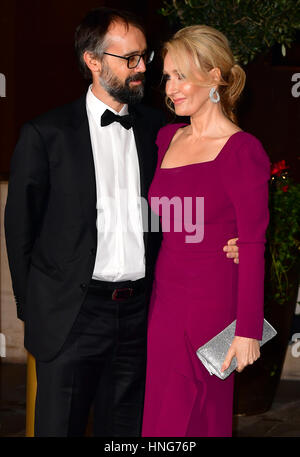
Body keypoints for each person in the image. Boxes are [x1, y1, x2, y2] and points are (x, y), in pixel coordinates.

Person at [4, 9, 239, 437]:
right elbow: (20, 231)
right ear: (93, 61)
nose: (142, 68)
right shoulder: (45, 134)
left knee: (128, 434)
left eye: (144, 56)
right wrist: (35, 307)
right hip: (71, 315)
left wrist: (231, 240)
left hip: (141, 314)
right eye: (129, 59)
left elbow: (193, 201)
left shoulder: (161, 131)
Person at [142, 25, 270, 437]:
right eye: (167, 76)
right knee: (161, 412)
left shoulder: (242, 150)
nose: (171, 88)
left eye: (181, 75)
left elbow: (251, 244)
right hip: (165, 301)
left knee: (201, 416)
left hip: (213, 304)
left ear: (215, 76)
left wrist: (248, 330)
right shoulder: (165, 138)